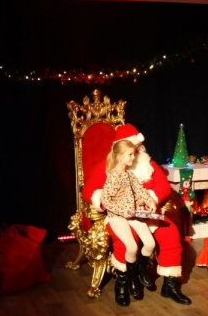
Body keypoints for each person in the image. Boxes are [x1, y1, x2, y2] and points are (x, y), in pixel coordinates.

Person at [82, 124, 192, 306]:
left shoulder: (148, 164)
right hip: (121, 215)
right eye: (133, 149)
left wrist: (150, 198)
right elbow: (88, 190)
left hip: (147, 214)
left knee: (171, 233)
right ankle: (123, 283)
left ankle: (169, 285)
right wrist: (107, 198)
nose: (137, 152)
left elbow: (164, 187)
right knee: (127, 241)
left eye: (139, 148)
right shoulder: (108, 167)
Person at [101, 139, 157, 306]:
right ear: (119, 157)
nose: (133, 157)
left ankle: (139, 272)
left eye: (133, 154)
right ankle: (127, 282)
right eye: (130, 155)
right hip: (117, 216)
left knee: (150, 243)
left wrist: (150, 201)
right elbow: (105, 199)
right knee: (131, 247)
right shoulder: (113, 176)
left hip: (133, 214)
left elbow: (140, 190)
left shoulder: (129, 175)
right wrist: (120, 211)